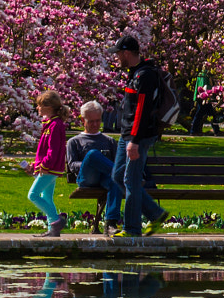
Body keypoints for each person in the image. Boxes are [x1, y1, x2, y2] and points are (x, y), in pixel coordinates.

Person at [113, 35, 171, 237]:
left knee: (130, 179)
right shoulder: (135, 72)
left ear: (127, 53)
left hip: (138, 136)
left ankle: (132, 229)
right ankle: (156, 214)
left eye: (119, 54)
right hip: (126, 134)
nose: (117, 58)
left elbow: (142, 110)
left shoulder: (145, 75)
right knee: (118, 176)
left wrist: (134, 142)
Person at [66, 100, 120, 229]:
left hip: (106, 177)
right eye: (91, 121)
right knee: (92, 155)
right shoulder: (74, 142)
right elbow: (72, 165)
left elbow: (117, 162)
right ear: (83, 120)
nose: (95, 124)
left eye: (98, 120)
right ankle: (124, 175)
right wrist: (91, 163)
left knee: (116, 181)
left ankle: (111, 223)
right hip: (87, 178)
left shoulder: (109, 141)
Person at [24, 89, 68, 236]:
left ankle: (56, 220)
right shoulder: (50, 124)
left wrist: (44, 165)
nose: (37, 108)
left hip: (50, 168)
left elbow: (53, 150)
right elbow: (45, 150)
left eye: (40, 105)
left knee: (33, 195)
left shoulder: (55, 125)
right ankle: (52, 230)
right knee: (47, 197)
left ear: (48, 107)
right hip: (48, 167)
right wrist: (35, 165)